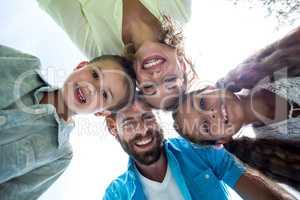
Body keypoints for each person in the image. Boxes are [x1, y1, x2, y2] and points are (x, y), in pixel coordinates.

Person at [0, 45, 135, 200]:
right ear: (80, 66)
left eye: (104, 94)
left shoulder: (59, 156)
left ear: (101, 112)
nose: (91, 88)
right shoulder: (26, 66)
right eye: (95, 75)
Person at [172, 27, 300, 190]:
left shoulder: (274, 66)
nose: (211, 114)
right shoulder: (279, 151)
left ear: (211, 88)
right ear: (221, 141)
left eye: (203, 103)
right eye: (205, 126)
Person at [103, 96, 295, 200]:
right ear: (113, 128)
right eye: (129, 122)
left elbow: (266, 196)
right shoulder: (116, 194)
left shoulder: (199, 150)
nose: (143, 129)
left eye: (148, 117)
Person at [37, 0, 196, 109]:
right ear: (181, 65)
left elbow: (56, 4)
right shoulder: (179, 11)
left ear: (137, 81)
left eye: (149, 87)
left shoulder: (104, 53)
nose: (156, 75)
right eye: (170, 81)